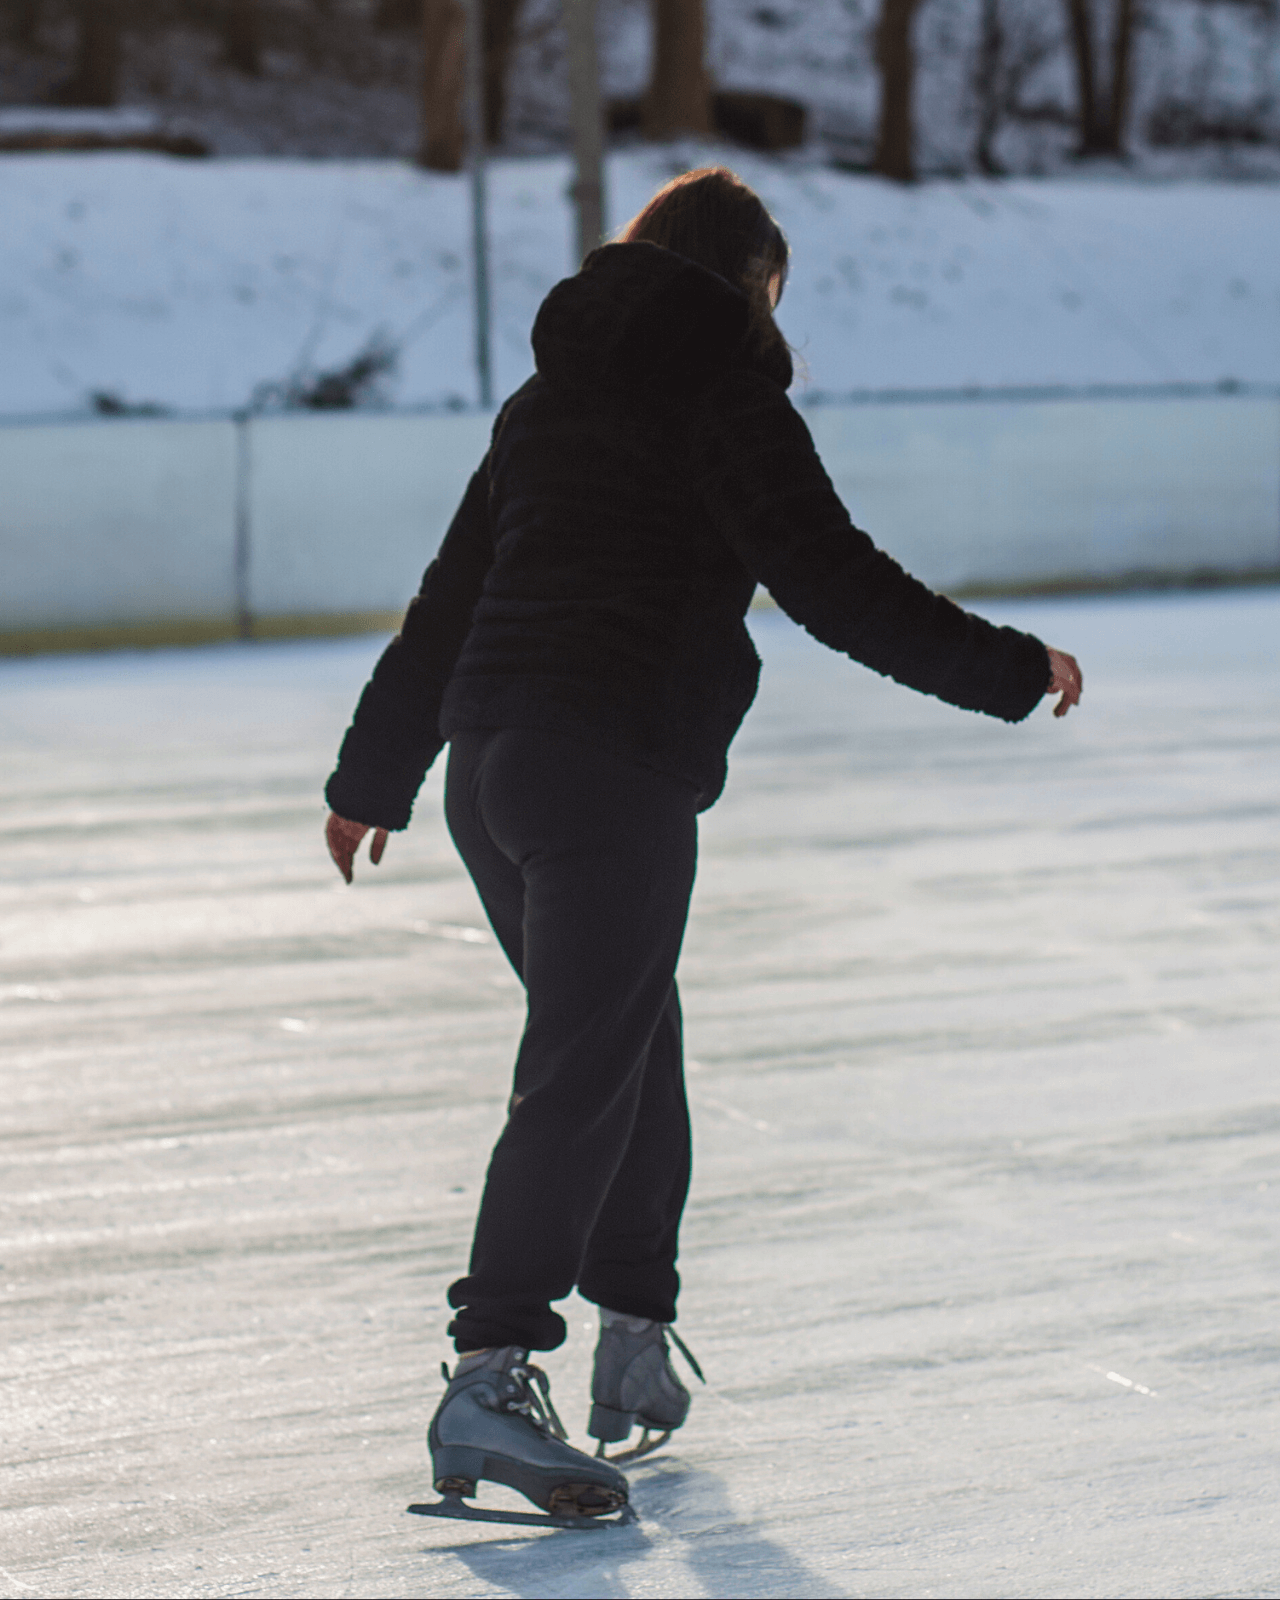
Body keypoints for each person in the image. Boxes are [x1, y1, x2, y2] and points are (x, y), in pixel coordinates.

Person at [324, 166, 1083, 1523]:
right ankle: (489, 1372)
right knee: (584, 1064)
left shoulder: (544, 400)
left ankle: (630, 1329)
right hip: (606, 765)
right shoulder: (721, 388)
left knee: (624, 1043)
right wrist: (1011, 670)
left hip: (492, 768)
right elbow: (831, 577)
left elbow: (450, 602)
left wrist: (377, 775)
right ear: (749, 285)